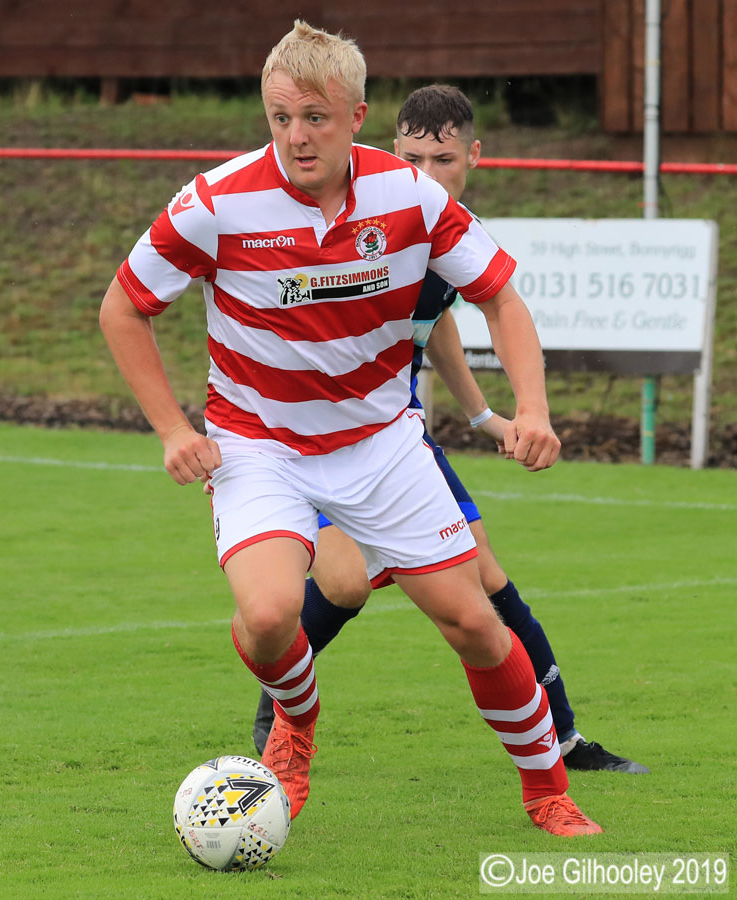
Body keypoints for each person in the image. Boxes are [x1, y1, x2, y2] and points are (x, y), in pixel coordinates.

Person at [100, 21, 603, 836]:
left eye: (314, 117)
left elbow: (500, 297)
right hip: (259, 446)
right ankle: (295, 722)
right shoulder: (216, 201)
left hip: (380, 443)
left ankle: (546, 789)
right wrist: (169, 429)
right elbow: (124, 306)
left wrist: (531, 408)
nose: (295, 136)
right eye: (279, 117)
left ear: (356, 115)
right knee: (267, 618)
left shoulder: (408, 196)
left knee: (474, 620)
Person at [251, 84, 649, 776]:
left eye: (441, 160)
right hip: (307, 434)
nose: (424, 175)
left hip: (389, 434)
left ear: (473, 157)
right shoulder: (357, 219)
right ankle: (276, 712)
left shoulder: (447, 230)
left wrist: (485, 414)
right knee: (343, 584)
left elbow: (434, 323)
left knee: (481, 573)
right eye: (410, 158)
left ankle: (560, 742)